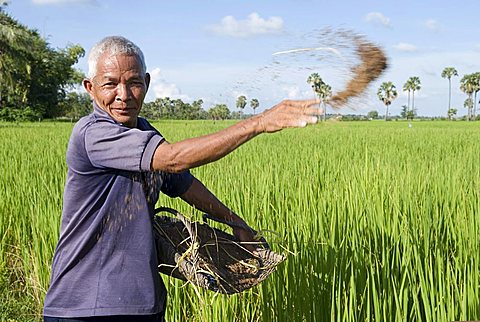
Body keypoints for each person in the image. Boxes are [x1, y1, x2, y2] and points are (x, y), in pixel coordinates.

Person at [43, 36, 321, 322]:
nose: (124, 95)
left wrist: (235, 222)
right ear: (90, 88)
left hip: (141, 302)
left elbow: (182, 182)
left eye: (134, 83)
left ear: (147, 84)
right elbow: (174, 158)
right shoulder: (93, 133)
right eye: (110, 83)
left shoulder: (142, 130)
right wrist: (258, 122)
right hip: (83, 306)